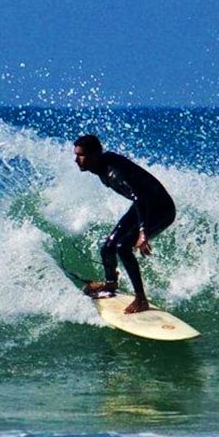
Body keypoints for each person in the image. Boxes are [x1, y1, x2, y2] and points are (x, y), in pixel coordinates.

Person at [73, 134, 176, 314]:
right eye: (76, 155)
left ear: (95, 155)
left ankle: (141, 299)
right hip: (143, 205)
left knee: (123, 246)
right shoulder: (100, 166)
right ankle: (110, 284)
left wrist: (143, 233)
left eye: (81, 155)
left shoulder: (114, 173)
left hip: (161, 210)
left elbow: (140, 197)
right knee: (108, 246)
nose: (76, 160)